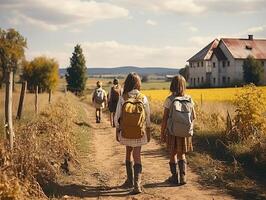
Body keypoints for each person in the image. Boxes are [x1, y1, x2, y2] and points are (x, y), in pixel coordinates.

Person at [114, 72, 151, 194]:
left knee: (128, 152)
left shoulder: (123, 97)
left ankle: (129, 181)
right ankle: (137, 185)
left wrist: (118, 129)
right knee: (137, 156)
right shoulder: (143, 98)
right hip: (139, 131)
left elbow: (117, 116)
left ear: (127, 83)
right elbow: (148, 116)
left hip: (126, 131)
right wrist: (148, 130)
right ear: (138, 83)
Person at [160, 75, 196, 185]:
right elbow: (194, 116)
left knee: (173, 154)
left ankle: (174, 177)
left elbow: (165, 118)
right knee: (182, 154)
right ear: (184, 86)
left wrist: (162, 132)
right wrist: (189, 129)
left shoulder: (169, 99)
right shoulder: (189, 99)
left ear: (172, 86)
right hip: (185, 132)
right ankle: (183, 177)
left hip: (172, 132)